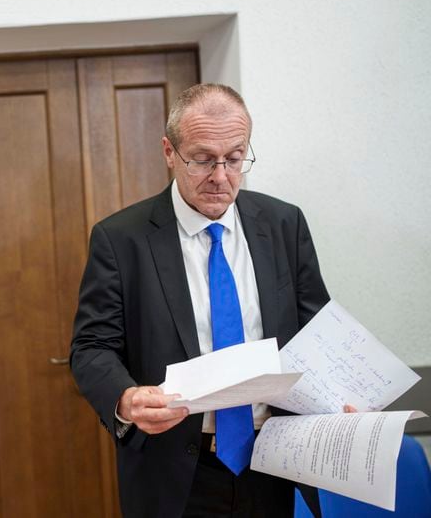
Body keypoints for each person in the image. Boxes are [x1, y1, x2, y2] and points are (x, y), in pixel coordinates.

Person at [70, 83, 330, 517]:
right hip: (175, 472)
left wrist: (344, 396)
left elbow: (317, 334)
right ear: (170, 152)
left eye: (234, 158)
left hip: (273, 464)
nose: (221, 176)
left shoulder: (285, 224)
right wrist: (126, 399)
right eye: (203, 159)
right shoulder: (121, 239)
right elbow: (91, 348)